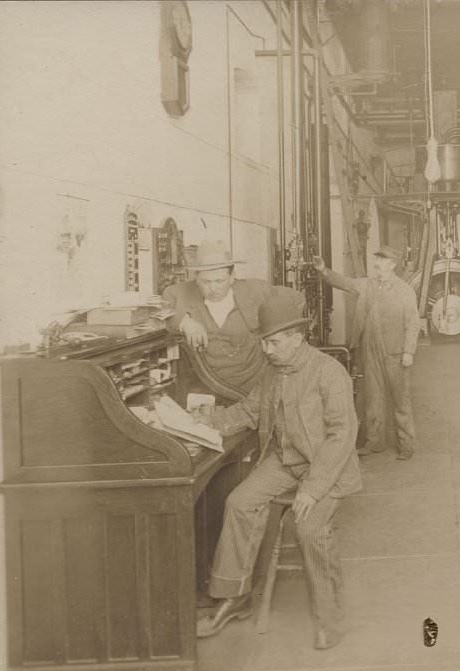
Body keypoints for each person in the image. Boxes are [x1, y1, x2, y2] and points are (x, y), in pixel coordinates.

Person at [194, 297, 361, 649]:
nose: (267, 350)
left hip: (326, 469)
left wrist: (313, 490)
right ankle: (234, 597)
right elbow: (249, 411)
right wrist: (203, 423)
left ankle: (330, 617)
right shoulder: (272, 372)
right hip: (285, 463)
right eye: (264, 342)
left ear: (297, 336)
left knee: (309, 527)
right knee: (239, 502)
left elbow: (341, 436)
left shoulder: (329, 372)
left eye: (274, 342)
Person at [313, 245, 421, 460]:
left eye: (381, 261)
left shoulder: (404, 290)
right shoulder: (368, 285)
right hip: (370, 350)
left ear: (392, 265)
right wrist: (324, 271)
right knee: (373, 399)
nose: (376, 264)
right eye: (377, 260)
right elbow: (346, 283)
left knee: (401, 400)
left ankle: (407, 444)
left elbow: (413, 323)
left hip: (395, 352)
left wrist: (408, 351)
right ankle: (375, 442)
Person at [163, 239, 305, 394]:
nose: (213, 288)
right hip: (211, 387)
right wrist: (185, 322)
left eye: (219, 281)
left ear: (232, 277)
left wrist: (274, 333)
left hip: (257, 385)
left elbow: (297, 299)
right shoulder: (178, 294)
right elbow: (156, 313)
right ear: (196, 278)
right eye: (206, 282)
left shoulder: (255, 290)